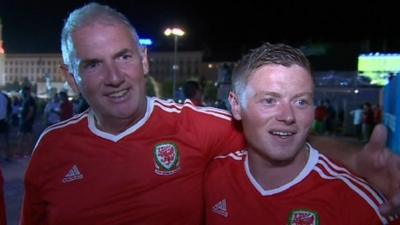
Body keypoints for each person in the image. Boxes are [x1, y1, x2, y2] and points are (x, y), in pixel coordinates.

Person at [20, 3, 400, 225]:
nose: (115, 77)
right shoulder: (51, 150)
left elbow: (278, 131)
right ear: (71, 78)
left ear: (144, 60)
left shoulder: (197, 126)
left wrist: (356, 158)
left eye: (123, 57)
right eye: (93, 65)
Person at [205, 43, 399, 225]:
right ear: (237, 105)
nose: (288, 116)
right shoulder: (214, 175)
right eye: (270, 100)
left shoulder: (361, 204)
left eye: (301, 102)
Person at [0, 91, 11, 160]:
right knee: (4, 139)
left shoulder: (5, 96)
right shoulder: (5, 96)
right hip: (4, 120)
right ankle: (7, 156)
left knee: (4, 139)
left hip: (3, 120)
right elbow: (9, 108)